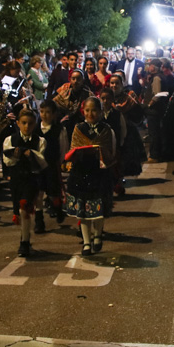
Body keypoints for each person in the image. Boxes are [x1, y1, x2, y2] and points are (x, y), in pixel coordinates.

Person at [64, 97, 116, 256]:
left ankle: (98, 235)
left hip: (99, 173)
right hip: (81, 173)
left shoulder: (106, 129)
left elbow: (110, 152)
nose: (90, 113)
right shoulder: (78, 129)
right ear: (83, 111)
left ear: (100, 111)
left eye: (94, 110)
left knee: (98, 209)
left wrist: (100, 152)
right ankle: (86, 242)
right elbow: (73, 148)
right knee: (83, 211)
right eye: (87, 110)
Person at [3, 109, 48, 257]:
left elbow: (41, 161)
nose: (26, 127)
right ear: (18, 123)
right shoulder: (10, 140)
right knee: (18, 210)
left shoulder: (40, 141)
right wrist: (21, 153)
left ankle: (25, 241)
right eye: (23, 123)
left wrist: (28, 154)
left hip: (31, 179)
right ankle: (24, 237)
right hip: (16, 180)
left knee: (24, 209)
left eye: (30, 123)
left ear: (35, 124)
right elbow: (8, 160)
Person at [38, 102, 66, 230]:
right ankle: (39, 220)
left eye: (48, 112)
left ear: (54, 114)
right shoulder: (35, 128)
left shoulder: (59, 130)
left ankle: (58, 208)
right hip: (37, 166)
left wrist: (59, 162)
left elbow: (63, 147)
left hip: (51, 164)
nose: (44, 115)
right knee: (38, 192)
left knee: (53, 191)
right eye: (42, 111)